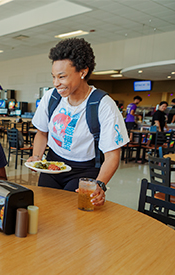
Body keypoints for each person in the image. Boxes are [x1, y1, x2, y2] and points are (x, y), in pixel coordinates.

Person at [27, 38, 129, 207]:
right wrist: (37, 157)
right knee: (45, 211)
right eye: (53, 77)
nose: (55, 83)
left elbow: (112, 155)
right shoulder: (52, 97)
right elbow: (42, 133)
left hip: (84, 172)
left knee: (72, 217)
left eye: (62, 77)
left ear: (82, 72)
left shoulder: (103, 104)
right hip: (51, 165)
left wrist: (100, 184)